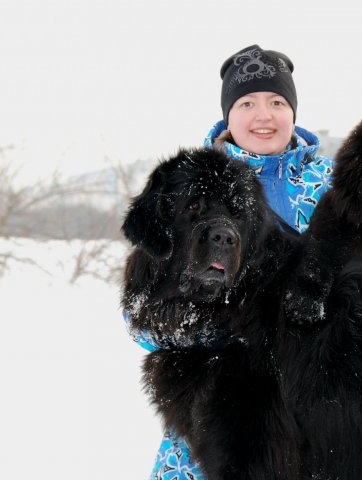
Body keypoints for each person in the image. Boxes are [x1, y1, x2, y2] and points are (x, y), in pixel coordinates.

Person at [129, 44, 334, 480]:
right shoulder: (187, 182)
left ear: (293, 111)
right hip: (210, 427)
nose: (264, 115)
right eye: (248, 103)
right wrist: (217, 329)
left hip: (319, 419)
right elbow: (140, 314)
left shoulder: (335, 188)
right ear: (228, 114)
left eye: (277, 102)